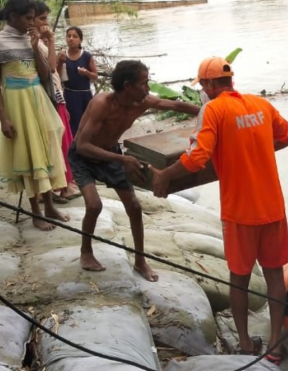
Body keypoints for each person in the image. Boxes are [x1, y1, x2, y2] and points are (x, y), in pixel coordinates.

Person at [150, 57, 288, 365]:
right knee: (274, 275)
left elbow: (196, 158)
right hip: (273, 207)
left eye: (202, 85)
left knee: (239, 279)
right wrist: (256, 152)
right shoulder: (260, 105)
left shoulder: (213, 110)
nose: (202, 90)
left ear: (211, 85)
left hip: (240, 211)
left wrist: (164, 176)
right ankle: (276, 345)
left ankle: (244, 344)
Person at [70, 60, 200, 282]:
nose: (148, 88)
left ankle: (140, 260)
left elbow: (176, 106)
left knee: (135, 206)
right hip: (85, 156)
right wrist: (122, 159)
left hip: (111, 153)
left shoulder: (142, 102)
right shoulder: (102, 103)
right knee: (94, 205)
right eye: (144, 83)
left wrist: (211, 113)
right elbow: (82, 145)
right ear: (127, 86)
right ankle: (86, 252)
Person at [0, 0, 70, 231]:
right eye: (28, 18)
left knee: (47, 149)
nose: (32, 23)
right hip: (17, 103)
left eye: (33, 18)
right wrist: (3, 117)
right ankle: (36, 212)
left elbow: (45, 75)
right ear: (13, 16)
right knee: (28, 154)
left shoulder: (31, 39)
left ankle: (50, 206)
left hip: (38, 100)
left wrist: (35, 47)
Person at [34, 1, 81, 202]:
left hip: (55, 95)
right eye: (42, 18)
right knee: (59, 142)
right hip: (49, 97)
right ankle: (60, 186)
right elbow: (50, 70)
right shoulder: (36, 43)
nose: (46, 22)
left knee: (64, 139)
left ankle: (63, 184)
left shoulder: (38, 42)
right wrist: (51, 41)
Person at [58, 26, 97, 137]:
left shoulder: (86, 56)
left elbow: (95, 76)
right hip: (69, 95)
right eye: (69, 36)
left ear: (80, 40)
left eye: (75, 36)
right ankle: (74, 148)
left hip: (85, 95)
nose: (71, 39)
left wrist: (86, 73)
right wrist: (60, 63)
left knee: (87, 123)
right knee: (72, 124)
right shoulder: (62, 55)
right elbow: (56, 76)